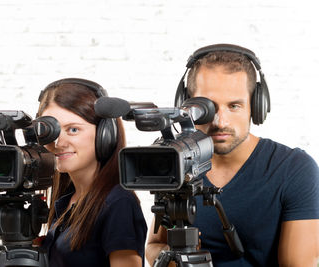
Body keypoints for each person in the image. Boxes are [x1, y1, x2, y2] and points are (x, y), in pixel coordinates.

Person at [146, 44, 319, 266]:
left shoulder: (294, 170)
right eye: (207, 107)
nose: (220, 122)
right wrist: (172, 258)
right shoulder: (178, 161)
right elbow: (153, 245)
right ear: (186, 106)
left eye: (234, 106)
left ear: (256, 107)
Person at [37, 78, 147, 267]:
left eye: (73, 129)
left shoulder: (118, 203)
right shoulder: (68, 200)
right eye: (52, 130)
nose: (58, 143)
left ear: (105, 134)